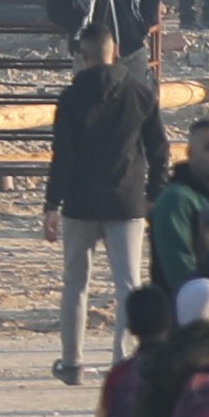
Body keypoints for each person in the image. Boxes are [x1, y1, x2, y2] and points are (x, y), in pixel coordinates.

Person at [47, 53, 169, 385]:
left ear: (82, 56)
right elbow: (159, 150)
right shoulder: (141, 93)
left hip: (80, 203)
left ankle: (72, 362)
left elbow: (63, 155)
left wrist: (51, 203)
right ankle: (124, 360)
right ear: (114, 53)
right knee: (128, 283)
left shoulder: (71, 97)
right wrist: (155, 195)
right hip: (127, 202)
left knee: (75, 284)